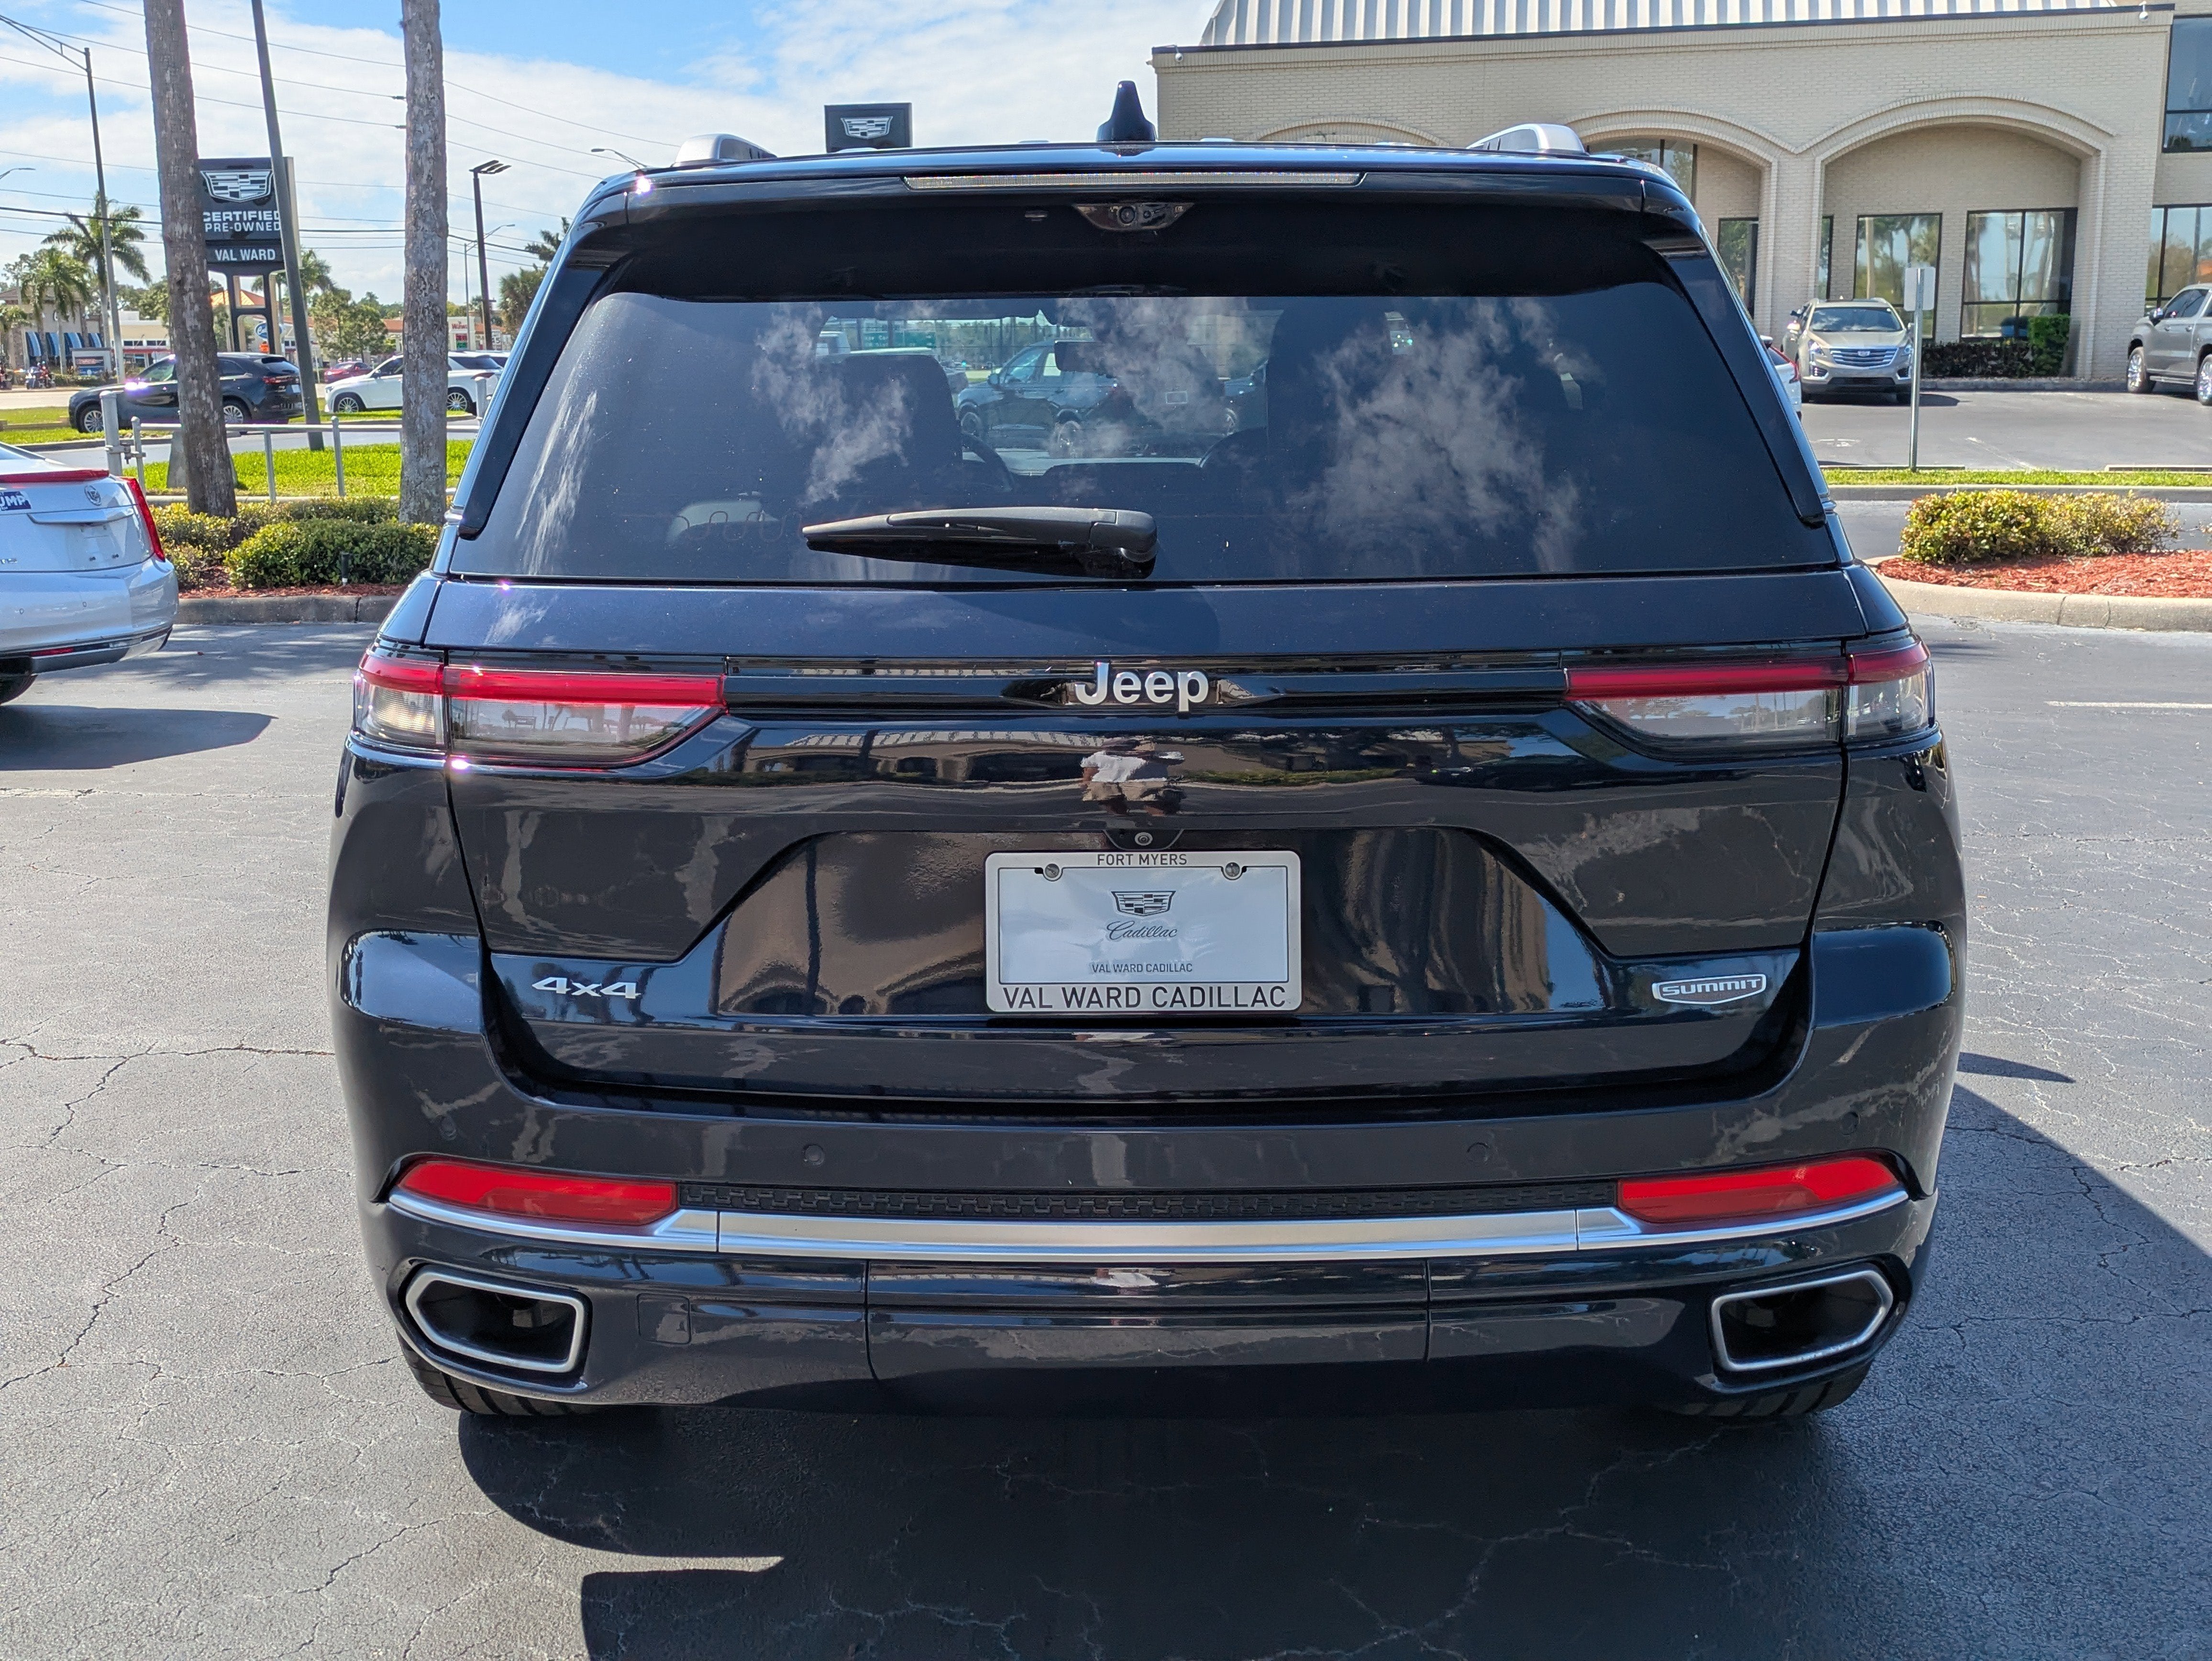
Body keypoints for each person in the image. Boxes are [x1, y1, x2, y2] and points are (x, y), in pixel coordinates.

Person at [1079, 736, 1182, 816]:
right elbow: (1089, 771)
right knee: (1113, 806)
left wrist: (1149, 757)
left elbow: (1177, 758)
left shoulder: (1146, 756)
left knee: (1155, 805)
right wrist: (1086, 782)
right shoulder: (1100, 756)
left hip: (1143, 787)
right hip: (1108, 786)